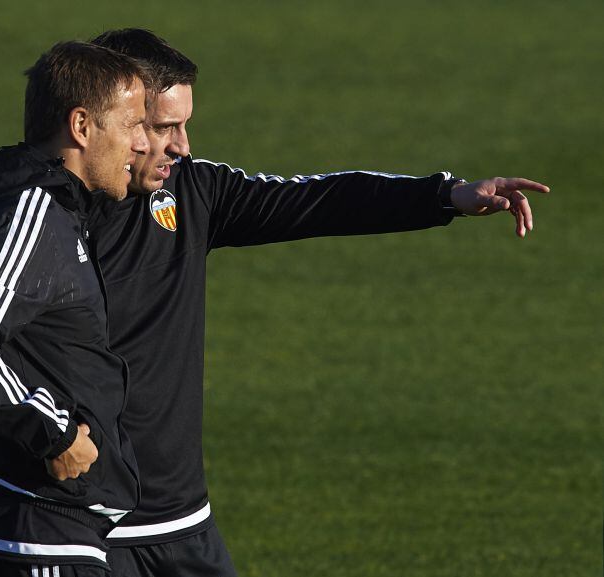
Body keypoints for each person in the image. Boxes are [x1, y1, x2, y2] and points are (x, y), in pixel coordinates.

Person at [87, 29, 550, 577]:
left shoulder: (191, 191)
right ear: (117, 121)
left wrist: (444, 196)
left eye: (185, 125)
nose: (182, 145)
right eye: (167, 127)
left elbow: (320, 199)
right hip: (89, 533)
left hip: (186, 527)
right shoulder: (40, 222)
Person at [0, 40, 151, 576]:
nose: (142, 144)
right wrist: (55, 432)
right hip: (35, 536)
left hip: (41, 532)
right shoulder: (35, 213)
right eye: (133, 124)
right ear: (82, 126)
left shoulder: (60, 213)